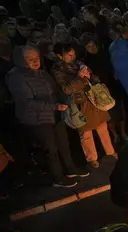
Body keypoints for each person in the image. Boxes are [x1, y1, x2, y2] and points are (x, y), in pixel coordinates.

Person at [6, 46, 86, 188]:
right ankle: (57, 177)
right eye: (30, 59)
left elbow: (54, 90)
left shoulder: (42, 73)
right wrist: (54, 106)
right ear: (21, 60)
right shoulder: (16, 77)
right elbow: (27, 102)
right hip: (37, 118)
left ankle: (70, 169)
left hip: (54, 114)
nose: (35, 61)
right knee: (51, 149)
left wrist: (62, 103)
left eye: (36, 58)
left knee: (63, 143)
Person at [51, 42, 116, 169]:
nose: (72, 57)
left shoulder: (80, 64)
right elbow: (66, 89)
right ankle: (92, 158)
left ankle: (110, 151)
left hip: (92, 98)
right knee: (85, 132)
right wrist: (80, 78)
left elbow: (94, 79)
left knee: (102, 126)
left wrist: (91, 76)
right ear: (60, 56)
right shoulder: (58, 69)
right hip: (79, 103)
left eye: (73, 54)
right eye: (69, 55)